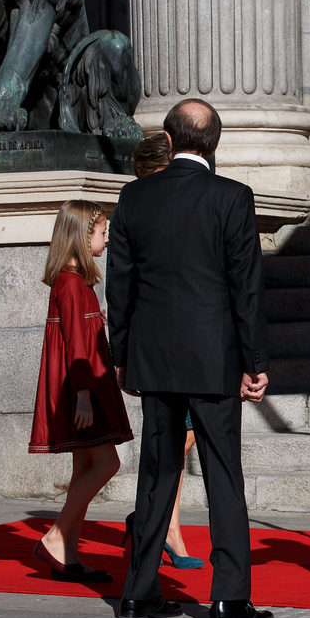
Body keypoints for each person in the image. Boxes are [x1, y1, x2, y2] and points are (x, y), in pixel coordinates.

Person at [107, 98, 272, 618]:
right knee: (223, 474)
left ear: (170, 140)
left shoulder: (134, 197)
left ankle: (137, 592)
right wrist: (254, 360)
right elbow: (246, 289)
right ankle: (229, 599)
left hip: (154, 359)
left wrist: (121, 357)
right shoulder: (233, 197)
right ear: (214, 143)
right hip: (214, 357)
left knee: (157, 473)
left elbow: (120, 287)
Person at [28, 200, 134, 582]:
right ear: (82, 235)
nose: (106, 240)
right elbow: (75, 346)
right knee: (108, 463)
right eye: (102, 232)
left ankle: (68, 553)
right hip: (83, 389)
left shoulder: (76, 282)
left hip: (87, 386)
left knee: (85, 468)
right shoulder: (72, 284)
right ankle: (56, 537)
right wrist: (85, 395)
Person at [131, 134, 204, 571]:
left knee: (181, 438)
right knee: (173, 439)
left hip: (187, 341)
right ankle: (165, 527)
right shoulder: (144, 209)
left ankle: (160, 523)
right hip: (164, 344)